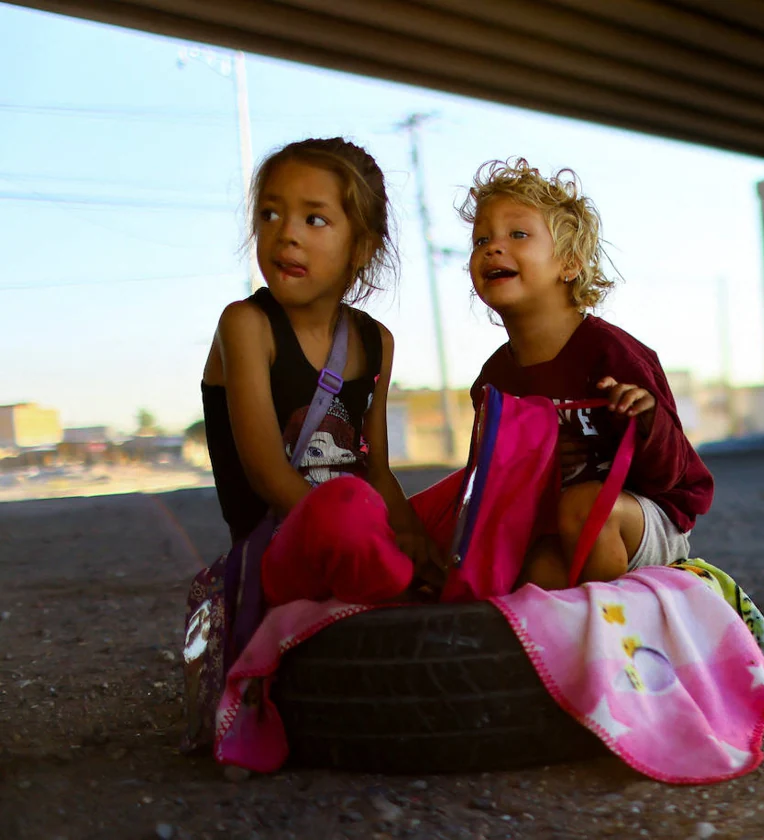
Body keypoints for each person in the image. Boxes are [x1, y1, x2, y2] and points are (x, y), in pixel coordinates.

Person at [201, 137, 443, 606]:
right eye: (270, 214)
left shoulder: (377, 341)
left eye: (314, 219)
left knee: (468, 497)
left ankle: (415, 580)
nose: (285, 233)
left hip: (360, 531)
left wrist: (414, 537)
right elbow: (269, 475)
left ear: (362, 246)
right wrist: (368, 536)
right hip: (282, 555)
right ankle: (401, 596)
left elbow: (376, 470)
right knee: (346, 506)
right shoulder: (247, 325)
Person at [460, 158, 714, 590]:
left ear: (570, 264)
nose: (492, 247)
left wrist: (647, 417)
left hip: (642, 515)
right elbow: (489, 484)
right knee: (529, 575)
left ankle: (617, 633)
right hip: (561, 522)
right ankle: (568, 647)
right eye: (482, 238)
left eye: (517, 234)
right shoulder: (494, 379)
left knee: (585, 507)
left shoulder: (612, 353)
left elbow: (672, 474)